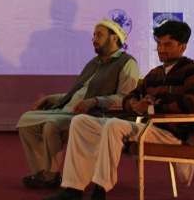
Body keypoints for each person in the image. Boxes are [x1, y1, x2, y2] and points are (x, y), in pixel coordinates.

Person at [42, 21, 194, 200]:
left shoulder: (191, 70)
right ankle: (73, 190)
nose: (161, 49)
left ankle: (99, 197)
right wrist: (135, 106)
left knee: (113, 126)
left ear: (182, 47)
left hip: (169, 134)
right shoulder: (155, 73)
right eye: (159, 44)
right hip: (146, 128)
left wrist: (151, 108)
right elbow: (129, 97)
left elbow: (193, 105)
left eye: (167, 45)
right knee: (81, 122)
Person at [17, 19, 138, 189]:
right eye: (94, 35)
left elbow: (125, 98)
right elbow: (76, 94)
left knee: (51, 126)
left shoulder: (126, 62)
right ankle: (42, 172)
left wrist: (96, 101)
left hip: (93, 116)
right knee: (25, 120)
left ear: (114, 38)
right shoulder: (94, 62)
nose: (93, 39)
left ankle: (49, 175)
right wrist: (50, 98)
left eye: (99, 35)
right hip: (69, 110)